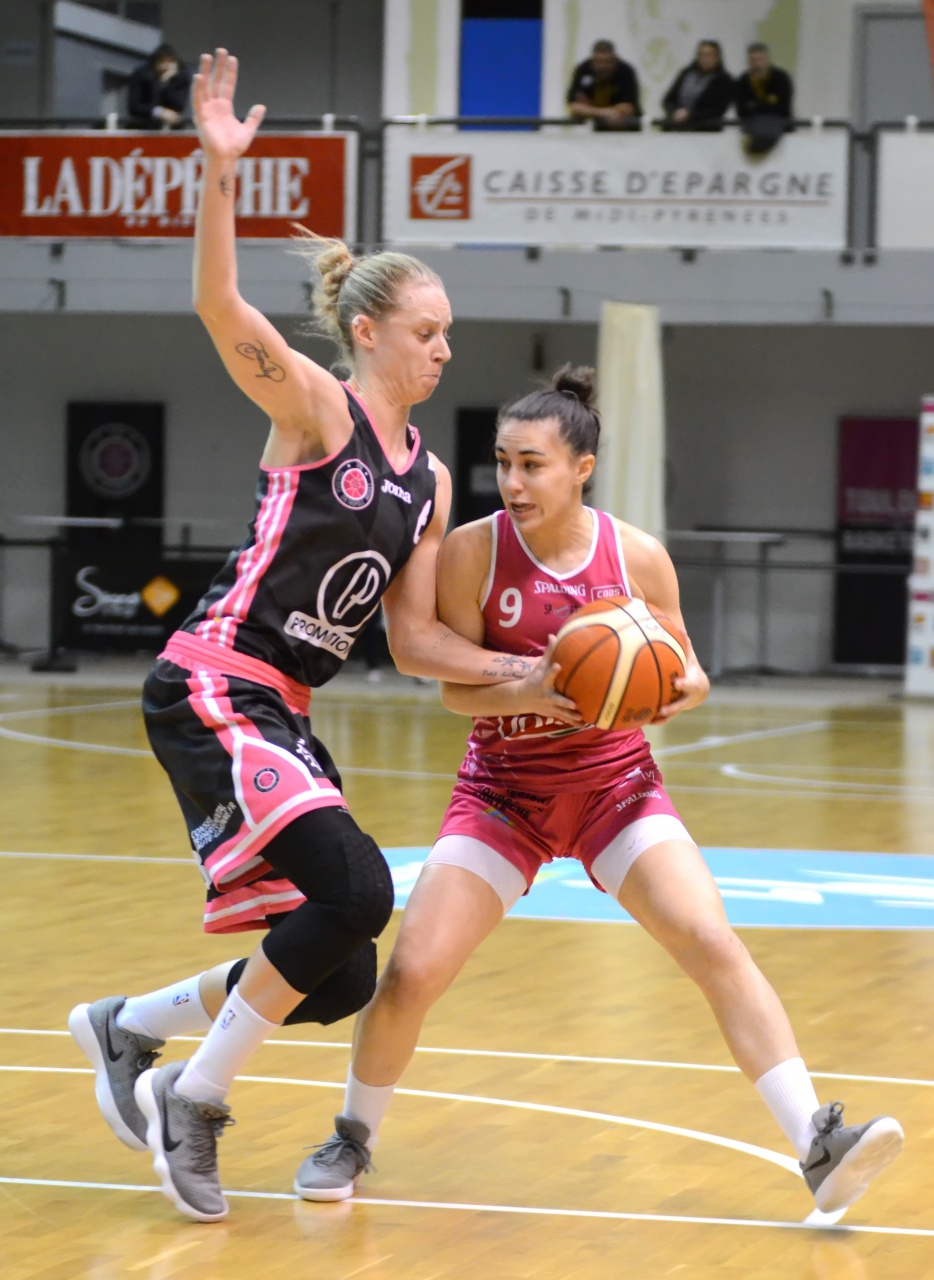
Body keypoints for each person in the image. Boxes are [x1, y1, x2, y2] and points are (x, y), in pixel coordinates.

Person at [68, 49, 548, 1226]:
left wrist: (530, 670)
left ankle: (128, 1027)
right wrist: (217, 169)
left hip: (285, 710)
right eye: (428, 331)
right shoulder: (315, 407)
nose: (445, 350)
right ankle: (194, 1095)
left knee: (338, 970)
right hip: (214, 682)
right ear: (368, 330)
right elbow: (217, 306)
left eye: (449, 333)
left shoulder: (430, 478)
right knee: (359, 885)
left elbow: (417, 641)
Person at [295, 366, 904, 1215]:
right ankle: (352, 1137)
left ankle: (817, 1142)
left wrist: (676, 687)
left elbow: (686, 670)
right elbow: (454, 691)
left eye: (532, 465)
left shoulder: (636, 556)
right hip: (503, 793)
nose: (513, 482)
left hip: (616, 788)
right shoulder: (472, 552)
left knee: (711, 941)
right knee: (413, 972)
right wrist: (529, 688)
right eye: (504, 463)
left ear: (581, 468)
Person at [566, 39, 641, 130]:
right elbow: (575, 107)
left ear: (614, 60)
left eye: (608, 62)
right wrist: (605, 113)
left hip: (627, 130)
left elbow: (628, 108)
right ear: (593, 61)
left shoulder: (625, 71)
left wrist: (590, 111)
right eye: (599, 62)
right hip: (598, 130)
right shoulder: (583, 70)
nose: (603, 66)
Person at [734, 42, 794, 156]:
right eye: (753, 60)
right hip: (750, 130)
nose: (757, 64)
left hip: (782, 134)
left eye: (760, 60)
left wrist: (755, 106)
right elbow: (741, 111)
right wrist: (767, 105)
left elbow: (782, 108)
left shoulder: (781, 79)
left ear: (768, 60)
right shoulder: (743, 81)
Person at [661, 39, 734, 131]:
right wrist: (675, 112)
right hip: (677, 127)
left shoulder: (725, 80)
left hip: (706, 130)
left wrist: (690, 114)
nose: (705, 58)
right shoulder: (686, 73)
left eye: (709, 55)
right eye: (702, 54)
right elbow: (668, 100)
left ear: (717, 57)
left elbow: (717, 110)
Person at [127, 43, 192, 130]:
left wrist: (166, 83)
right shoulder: (142, 74)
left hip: (172, 127)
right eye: (162, 61)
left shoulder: (182, 77)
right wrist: (159, 112)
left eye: (169, 62)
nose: (165, 66)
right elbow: (134, 107)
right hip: (144, 126)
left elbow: (179, 105)